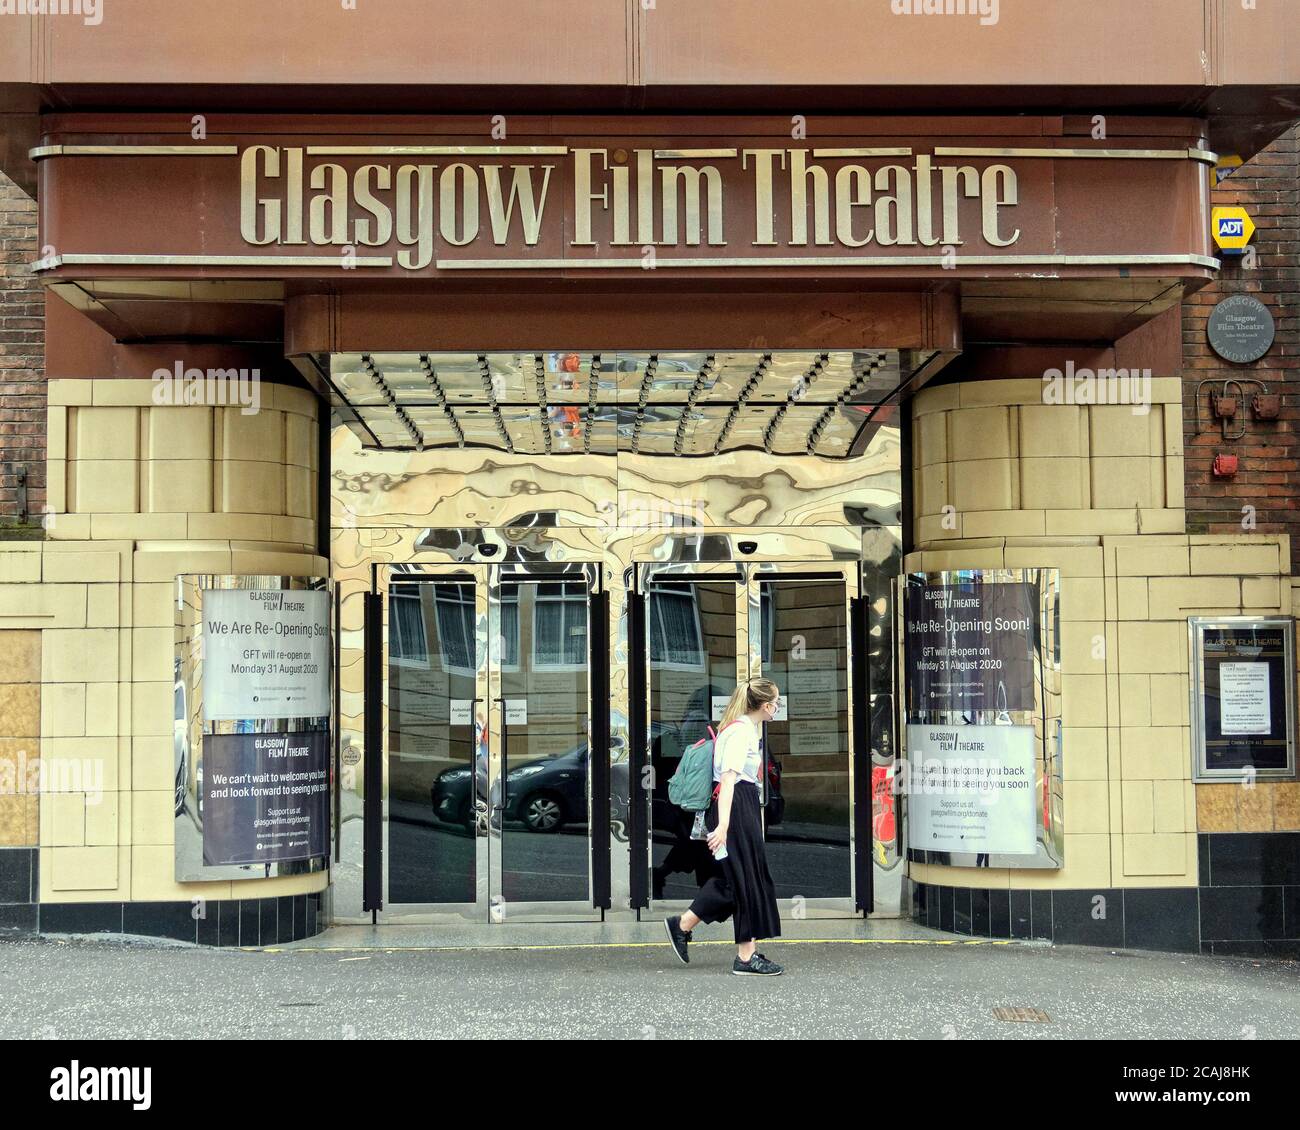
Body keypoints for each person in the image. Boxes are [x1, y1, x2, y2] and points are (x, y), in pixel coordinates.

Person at [664, 678, 784, 976]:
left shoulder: (741, 728)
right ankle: (745, 957)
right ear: (766, 706)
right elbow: (728, 781)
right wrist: (724, 826)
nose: (777, 708)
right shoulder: (741, 731)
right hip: (736, 809)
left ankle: (683, 925)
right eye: (776, 703)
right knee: (744, 881)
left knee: (738, 881)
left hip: (740, 807)